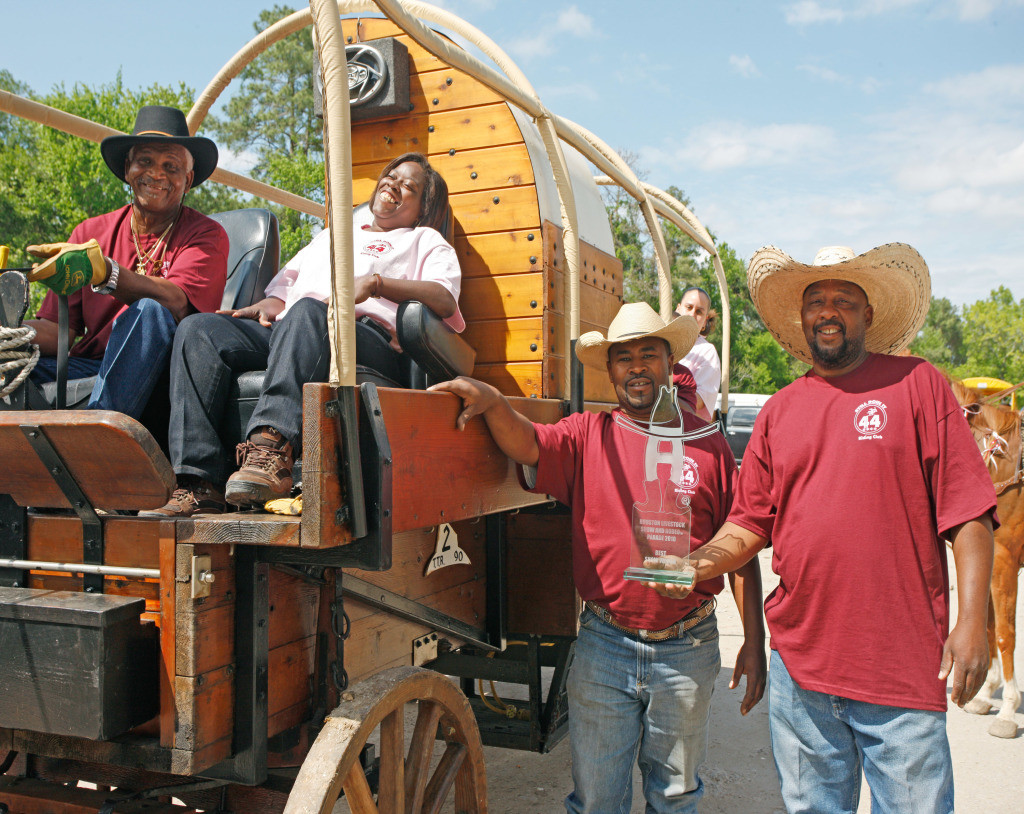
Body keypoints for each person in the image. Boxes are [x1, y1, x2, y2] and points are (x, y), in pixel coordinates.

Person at [658, 244, 997, 813]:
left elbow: (967, 511)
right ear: (802, 319)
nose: (828, 310)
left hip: (901, 669)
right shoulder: (779, 411)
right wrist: (697, 564)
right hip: (802, 671)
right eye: (816, 300)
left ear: (867, 316)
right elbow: (747, 523)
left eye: (843, 299)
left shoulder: (917, 384)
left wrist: (972, 624)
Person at [431, 302, 766, 813]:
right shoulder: (590, 434)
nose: (636, 367)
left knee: (675, 798)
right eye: (623, 357)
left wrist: (754, 643)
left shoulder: (709, 446)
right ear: (610, 372)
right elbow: (528, 445)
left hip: (687, 646)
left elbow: (741, 548)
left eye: (648, 354)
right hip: (604, 644)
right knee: (595, 802)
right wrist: (495, 402)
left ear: (668, 361)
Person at [144, 152, 463, 517]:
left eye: (409, 186)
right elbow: (286, 288)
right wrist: (267, 304)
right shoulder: (332, 236)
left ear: (423, 209)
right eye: (391, 175)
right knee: (197, 329)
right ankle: (198, 483)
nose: (393, 184)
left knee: (309, 311)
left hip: (361, 338)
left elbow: (444, 297)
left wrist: (377, 283)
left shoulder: (424, 240)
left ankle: (269, 450)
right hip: (296, 328)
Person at [25, 105, 228, 418]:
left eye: (170, 166)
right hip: (89, 364)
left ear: (187, 180)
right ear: (127, 169)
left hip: (163, 373)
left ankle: (98, 439)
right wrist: (10, 331)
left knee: (151, 310)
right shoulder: (89, 231)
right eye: (144, 161)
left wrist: (106, 272)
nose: (156, 173)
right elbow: (59, 331)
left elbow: (174, 301)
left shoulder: (206, 234)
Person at [674, 286, 720, 421]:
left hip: (683, 428)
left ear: (705, 321)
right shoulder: (660, 342)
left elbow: (699, 400)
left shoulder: (707, 351)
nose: (692, 314)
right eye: (688, 307)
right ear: (678, 309)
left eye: (699, 311)